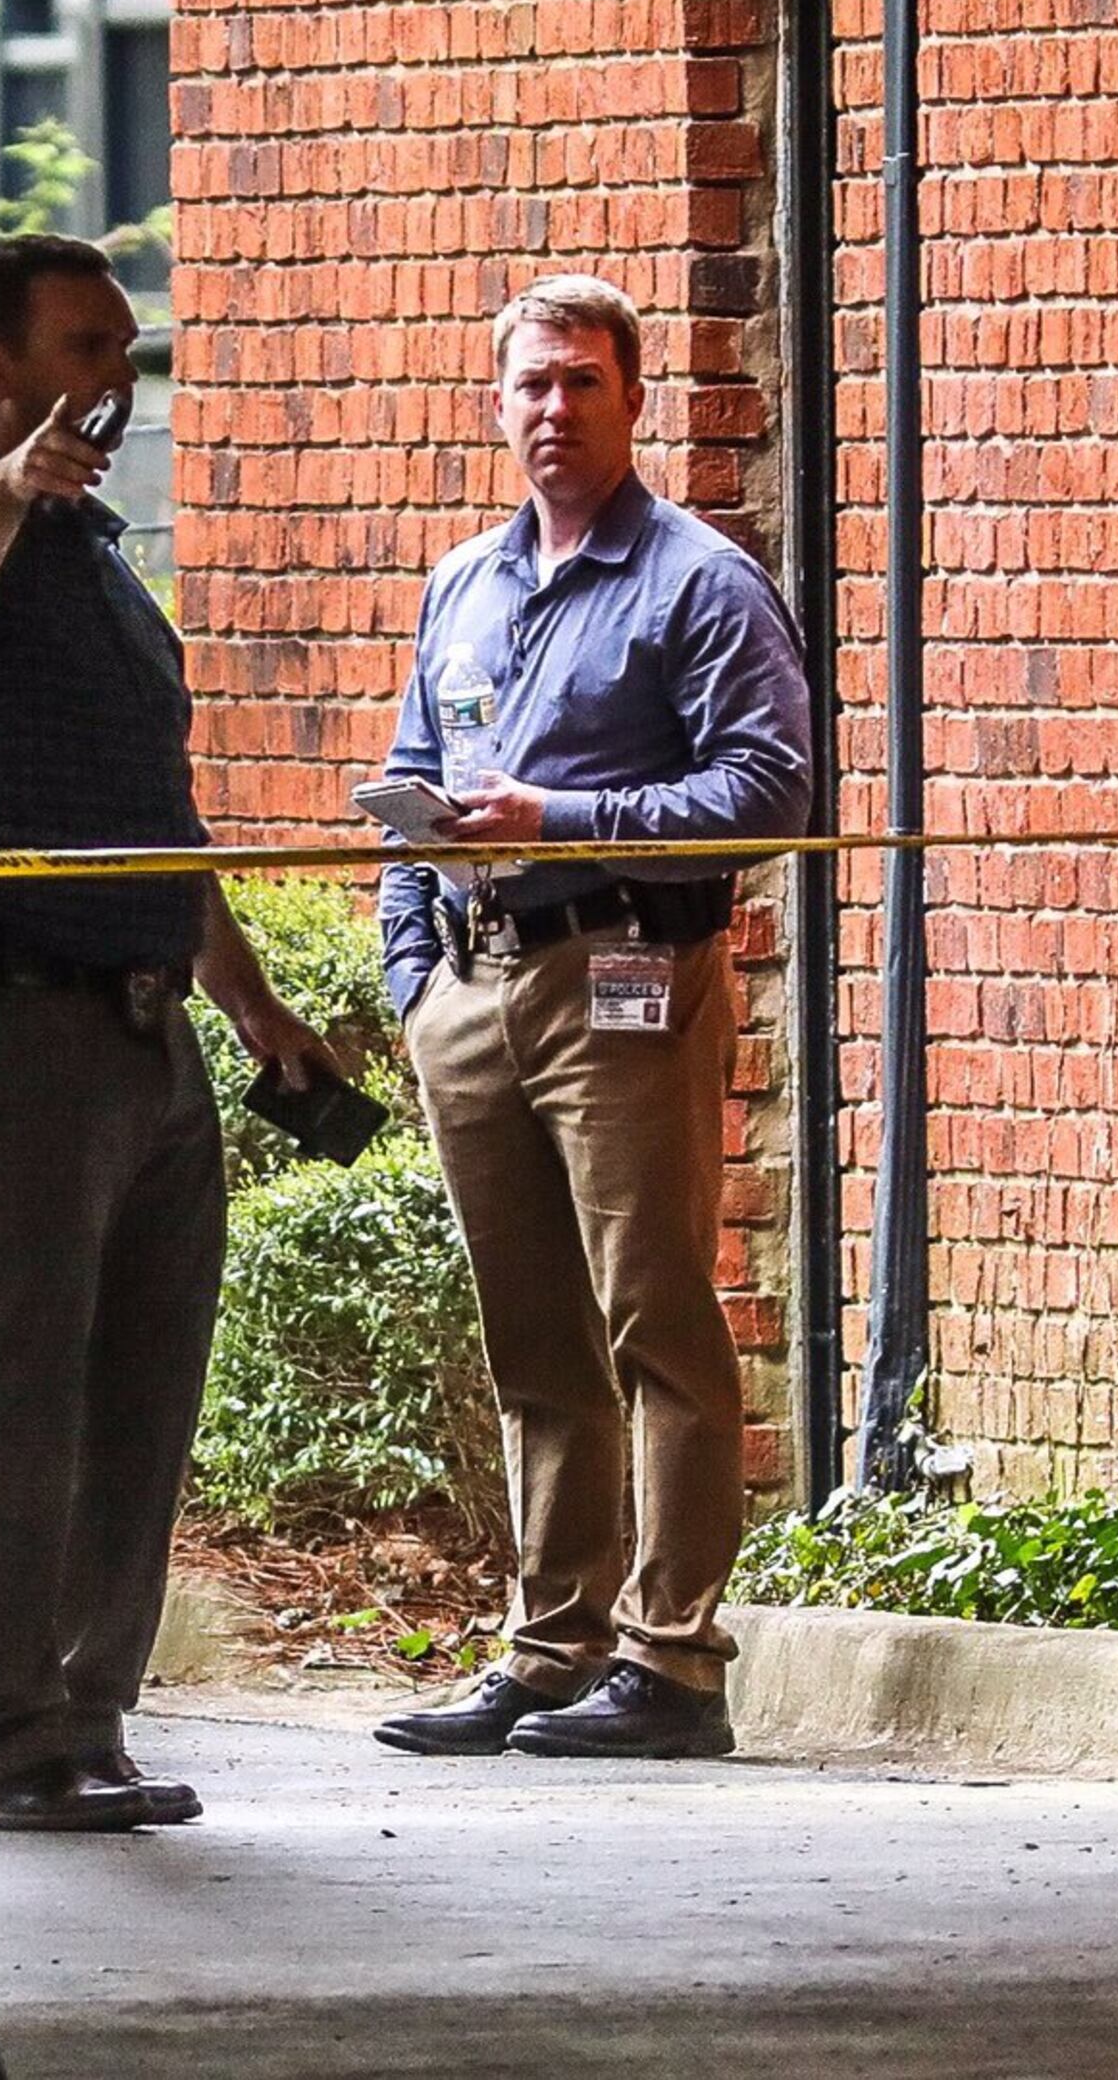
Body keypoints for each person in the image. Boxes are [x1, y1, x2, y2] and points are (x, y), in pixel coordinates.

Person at [0, 233, 339, 1833]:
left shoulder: (100, 564)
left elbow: (161, 818)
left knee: (140, 1389)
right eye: (81, 345)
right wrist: (13, 478)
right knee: (10, 1387)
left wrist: (258, 1011)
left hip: (144, 1034)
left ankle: (84, 1718)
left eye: (126, 349)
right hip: (7, 1029)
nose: (112, 377)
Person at [368, 274, 814, 1762]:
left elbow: (768, 794)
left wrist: (565, 816)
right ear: (497, 405)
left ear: (637, 398)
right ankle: (549, 1648)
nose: (553, 410)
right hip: (476, 985)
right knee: (530, 1336)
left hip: (625, 980)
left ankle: (674, 1663)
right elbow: (408, 783)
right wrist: (414, 976)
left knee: (655, 1319)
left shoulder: (700, 582)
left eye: (581, 383)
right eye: (530, 386)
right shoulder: (462, 588)